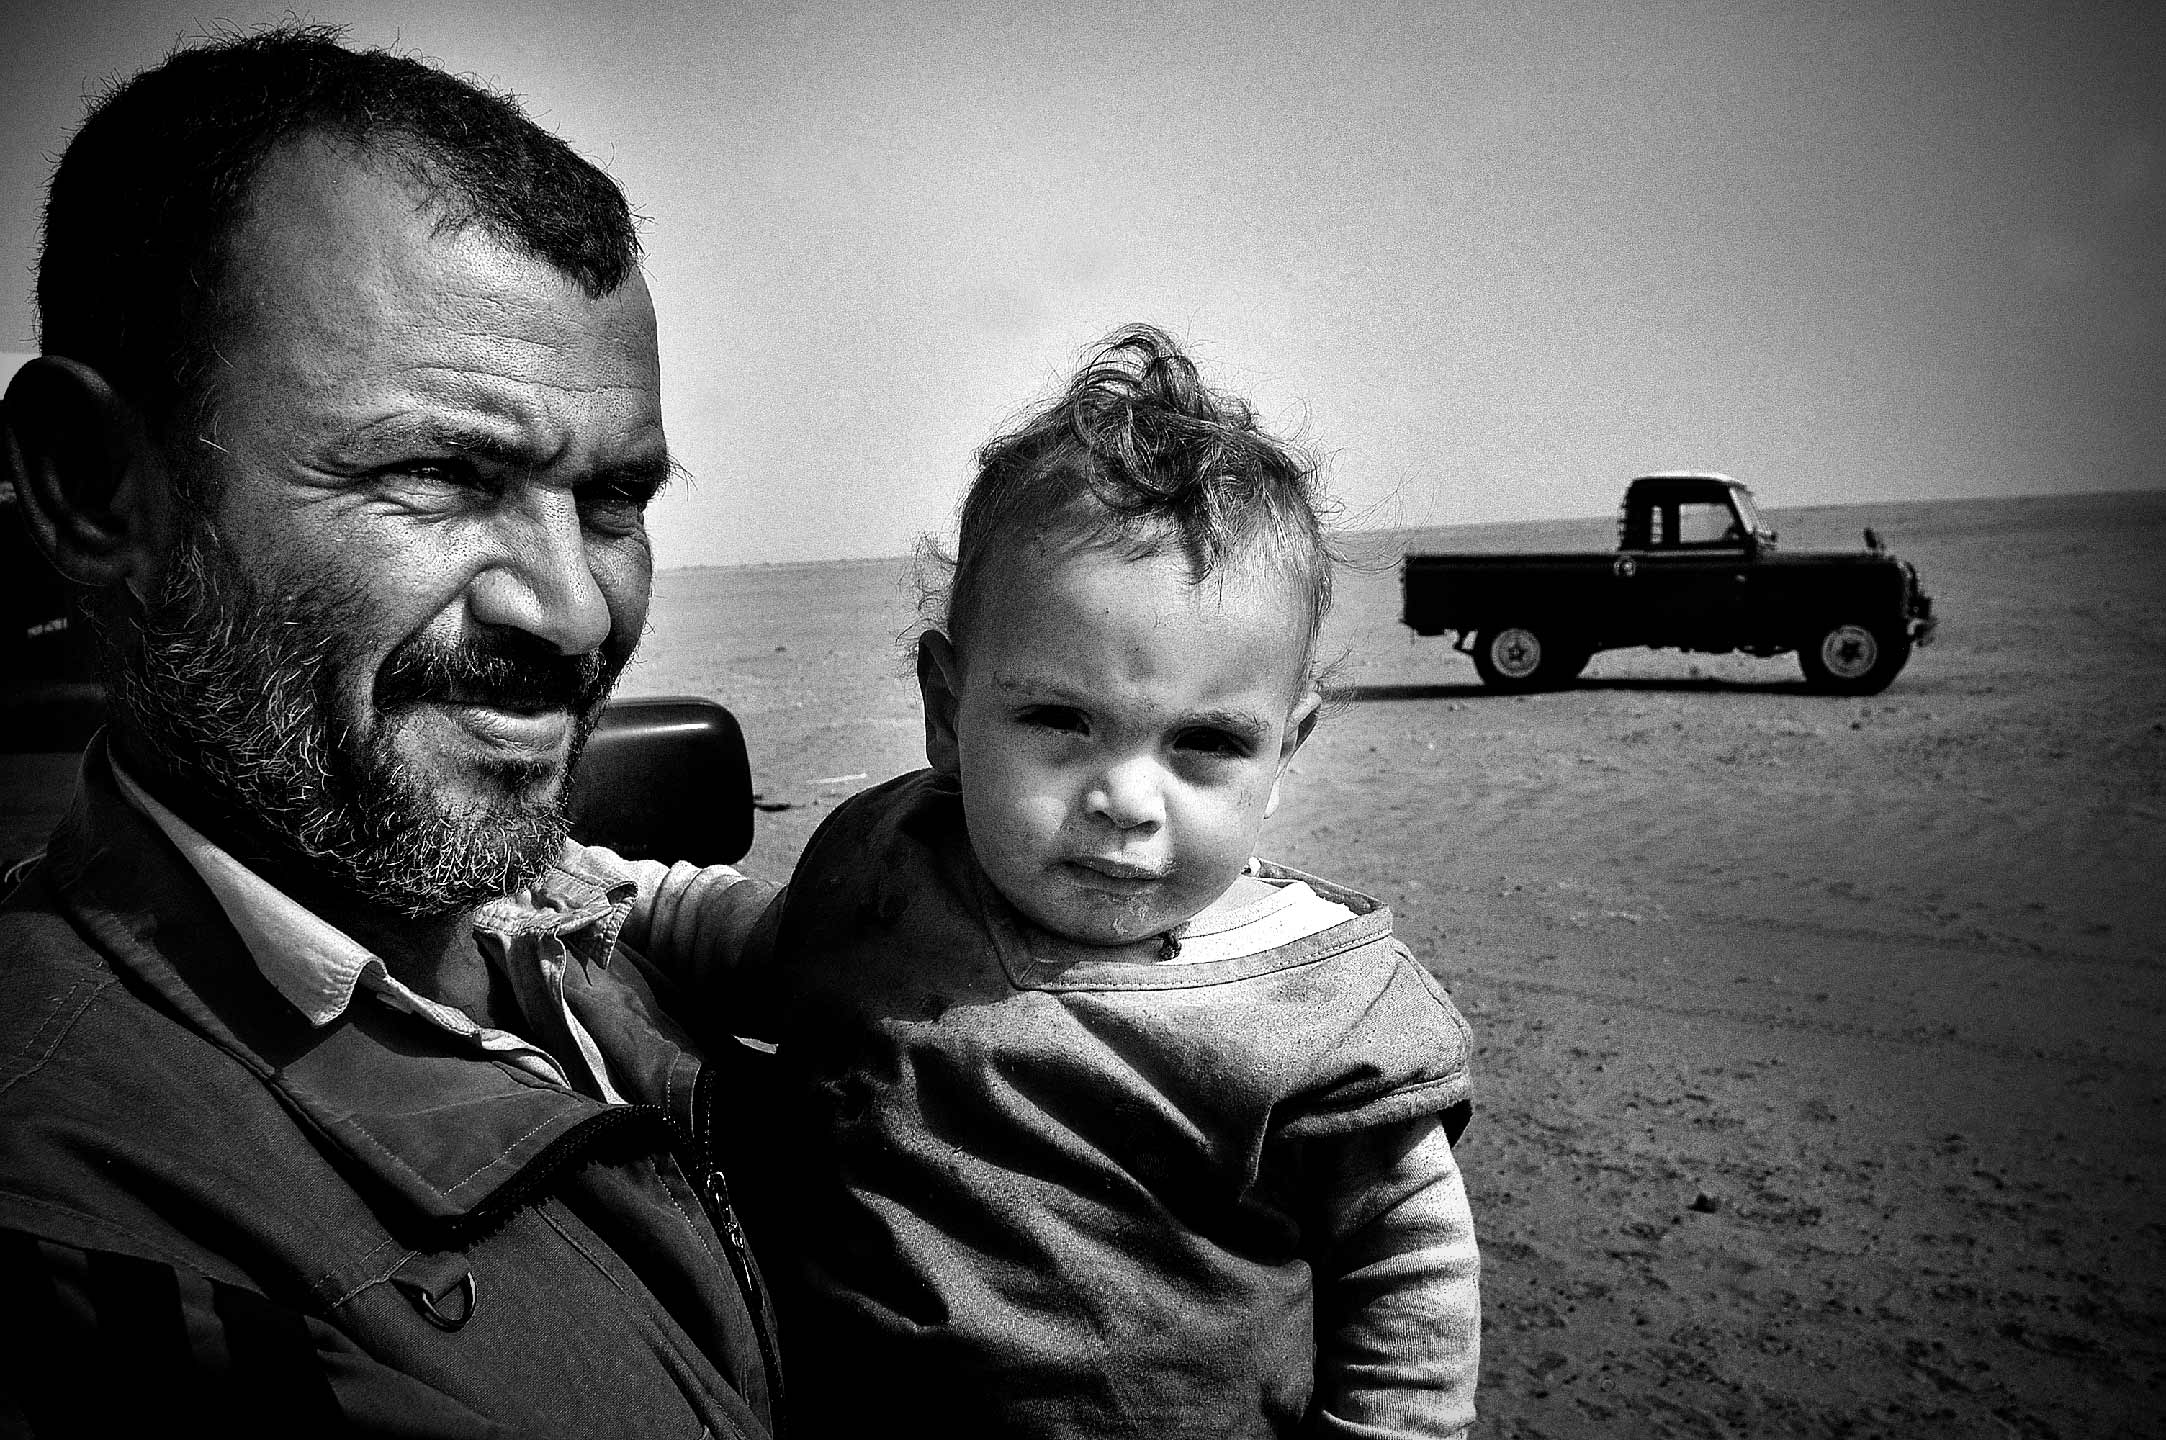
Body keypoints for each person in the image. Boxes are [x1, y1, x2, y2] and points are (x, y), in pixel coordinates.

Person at [0, 27, 779, 1437]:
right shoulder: (90, 1254)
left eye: (614, 503)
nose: (573, 614)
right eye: (442, 471)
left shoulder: (568, 941)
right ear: (98, 492)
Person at [632, 326, 1482, 1437]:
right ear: (948, 709)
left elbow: (1410, 1278)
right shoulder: (894, 869)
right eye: (1059, 721)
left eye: (1206, 744)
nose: (1127, 799)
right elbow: (766, 948)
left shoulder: (1323, 1017)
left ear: (1284, 753)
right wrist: (618, 897)